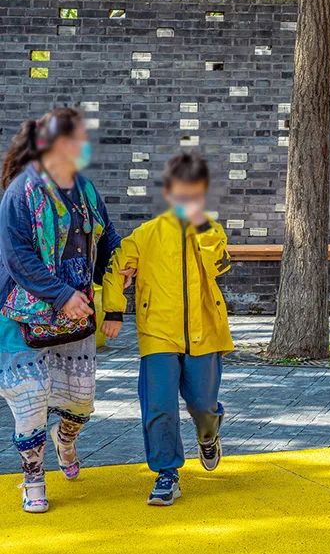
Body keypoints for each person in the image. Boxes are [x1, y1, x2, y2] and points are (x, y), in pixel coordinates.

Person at [0, 108, 122, 514]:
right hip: (23, 317)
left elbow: (107, 238)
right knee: (30, 399)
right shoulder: (22, 191)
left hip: (75, 318)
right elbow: (17, 256)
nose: (83, 145)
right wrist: (60, 294)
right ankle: (33, 477)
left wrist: (119, 270)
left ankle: (65, 440)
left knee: (80, 403)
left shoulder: (85, 189)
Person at [101, 151, 233, 507]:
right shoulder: (146, 235)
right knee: (159, 405)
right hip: (157, 332)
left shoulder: (211, 232)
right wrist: (114, 310)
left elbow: (219, 265)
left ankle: (208, 433)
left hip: (205, 331)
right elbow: (116, 266)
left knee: (203, 404)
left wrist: (201, 226)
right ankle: (166, 474)